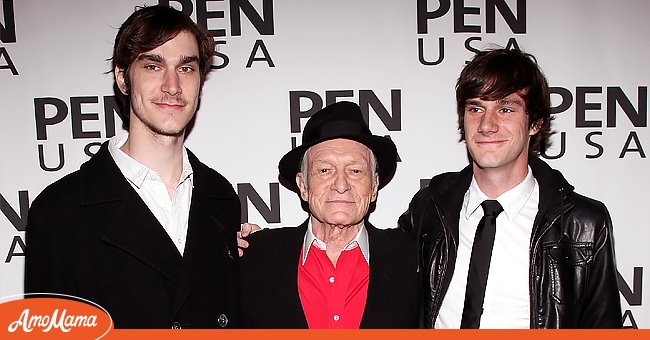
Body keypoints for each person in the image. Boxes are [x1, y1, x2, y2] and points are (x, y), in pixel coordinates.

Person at [24, 5, 240, 329]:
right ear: (123, 77)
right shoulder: (59, 211)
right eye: (153, 66)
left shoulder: (220, 197)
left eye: (186, 68)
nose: (172, 86)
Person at [398, 48, 622, 328]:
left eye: (505, 109)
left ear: (535, 123)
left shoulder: (583, 223)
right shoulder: (429, 208)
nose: (487, 125)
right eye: (476, 108)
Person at [238, 101, 420, 328]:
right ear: (303, 185)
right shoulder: (254, 257)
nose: (341, 185)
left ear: (374, 186)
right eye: (325, 170)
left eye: (355, 170)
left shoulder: (413, 258)